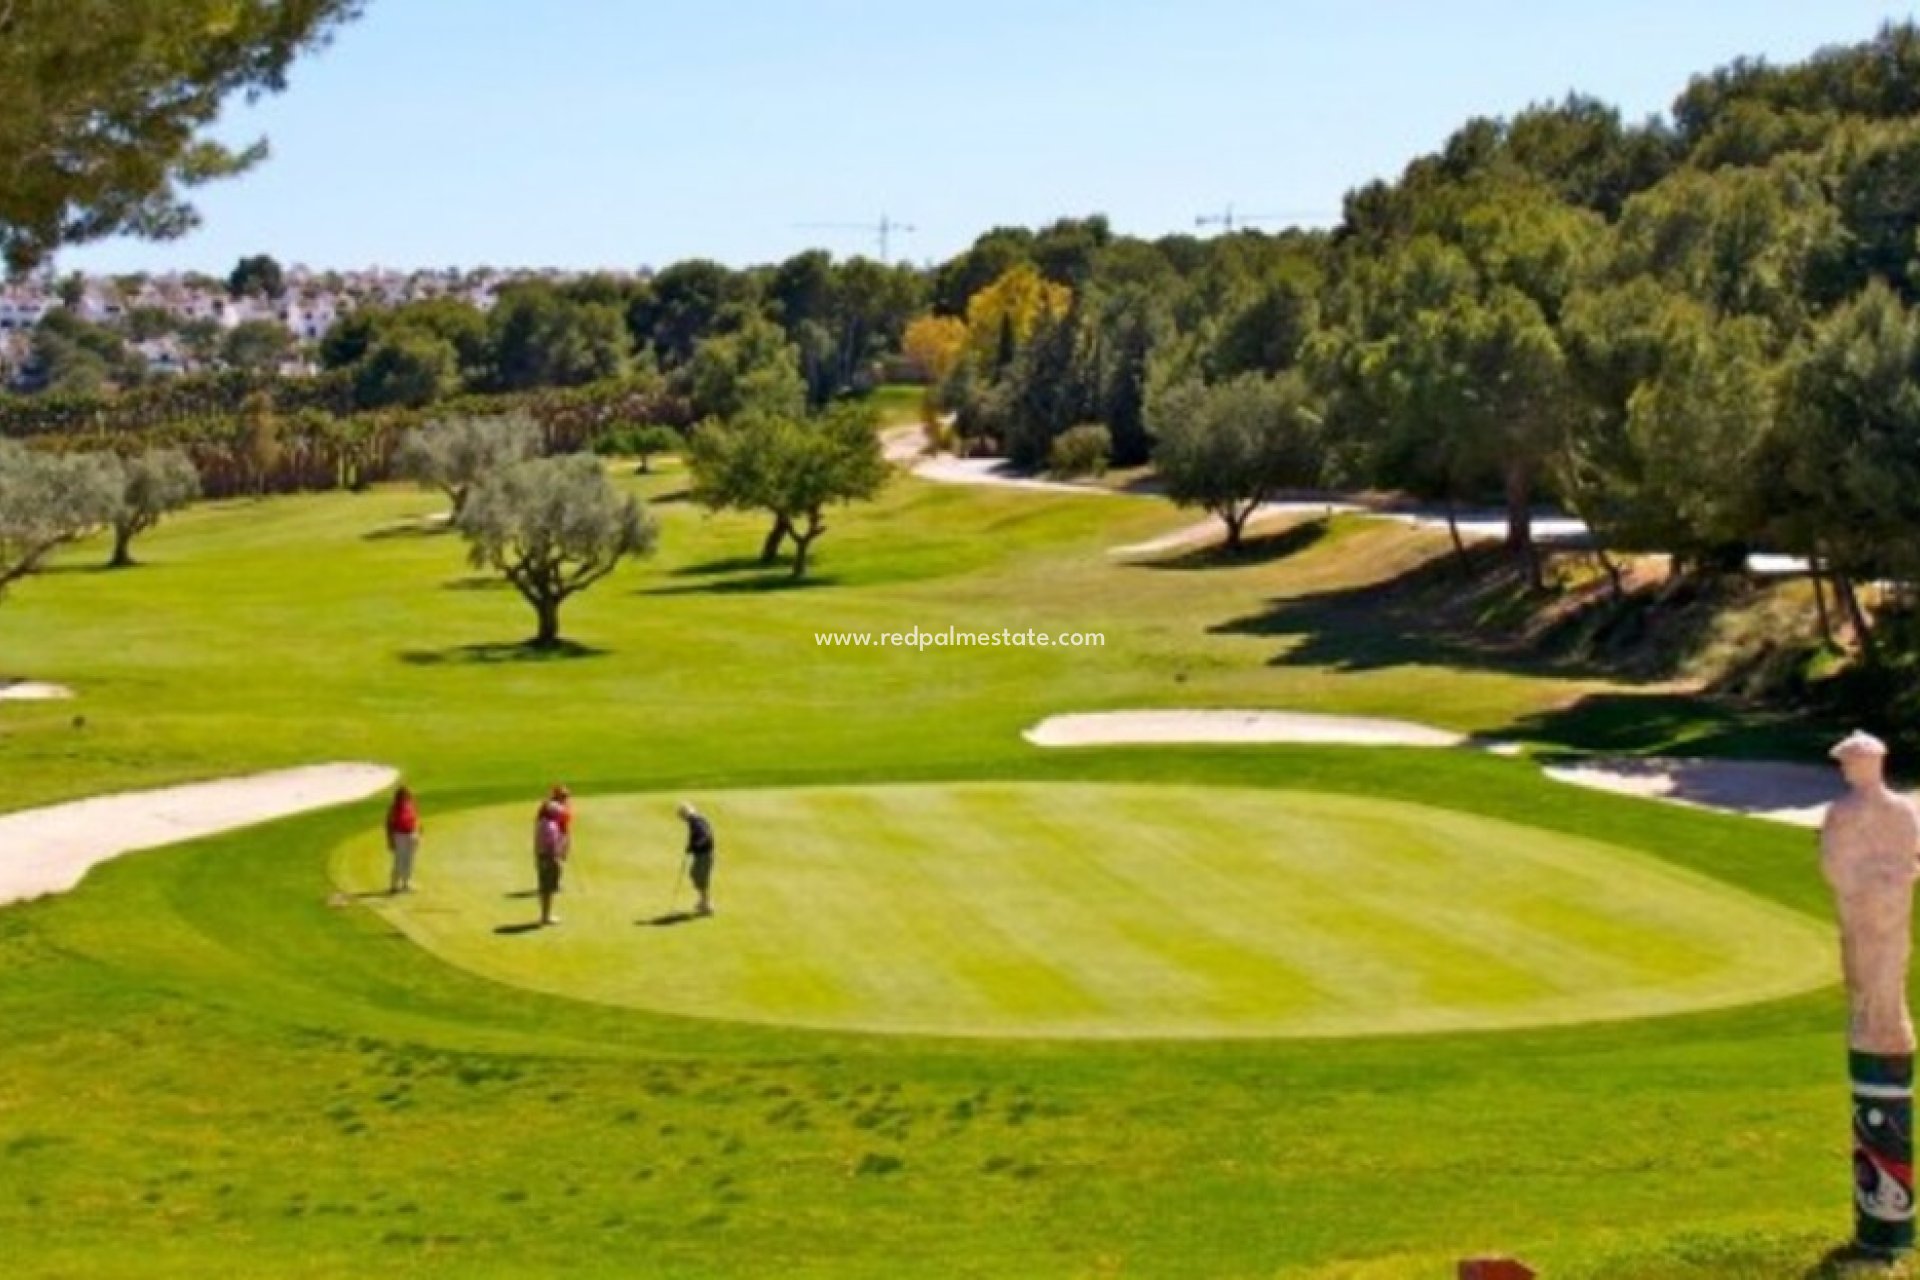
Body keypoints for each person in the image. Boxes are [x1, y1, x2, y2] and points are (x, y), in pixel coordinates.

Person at [1819, 730, 1920, 1054]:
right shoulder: (1849, 811)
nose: (1845, 769)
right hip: (1868, 908)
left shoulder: (1855, 812)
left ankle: (1884, 1027)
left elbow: (1908, 861)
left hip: (1882, 911)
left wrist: (1879, 884)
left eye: (1848, 763)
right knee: (1872, 969)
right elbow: (1837, 867)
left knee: (1879, 967)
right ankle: (1878, 1025)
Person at [534, 784, 573, 927]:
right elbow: (554, 845)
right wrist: (559, 856)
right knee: (547, 888)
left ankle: (545, 915)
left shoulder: (544, 821)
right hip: (548, 857)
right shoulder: (550, 826)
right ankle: (545, 917)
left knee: (546, 887)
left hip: (544, 856)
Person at [679, 801, 716, 916]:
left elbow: (705, 836)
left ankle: (707, 905)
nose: (683, 819)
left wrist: (694, 846)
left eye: (682, 816)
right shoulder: (697, 820)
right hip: (703, 854)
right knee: (695, 875)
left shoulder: (695, 822)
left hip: (704, 855)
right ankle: (704, 901)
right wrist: (691, 846)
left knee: (699, 877)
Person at [385, 785, 421, 894]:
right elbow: (389, 824)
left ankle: (406, 884)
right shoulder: (394, 807)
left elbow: (416, 819)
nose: (405, 796)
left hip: (411, 834)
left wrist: (417, 833)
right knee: (399, 861)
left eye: (407, 794)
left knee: (409, 860)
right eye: (403, 795)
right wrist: (390, 839)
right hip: (399, 835)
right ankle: (394, 885)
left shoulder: (411, 805)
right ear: (399, 796)